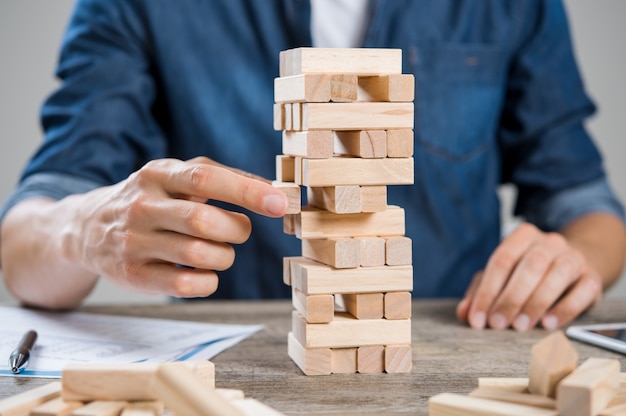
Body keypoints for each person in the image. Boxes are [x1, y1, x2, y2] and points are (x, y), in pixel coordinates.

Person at [0, 0, 624, 332]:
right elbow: (29, 235)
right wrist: (79, 229)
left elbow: (584, 201)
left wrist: (572, 261)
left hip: (449, 336)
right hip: (243, 365)